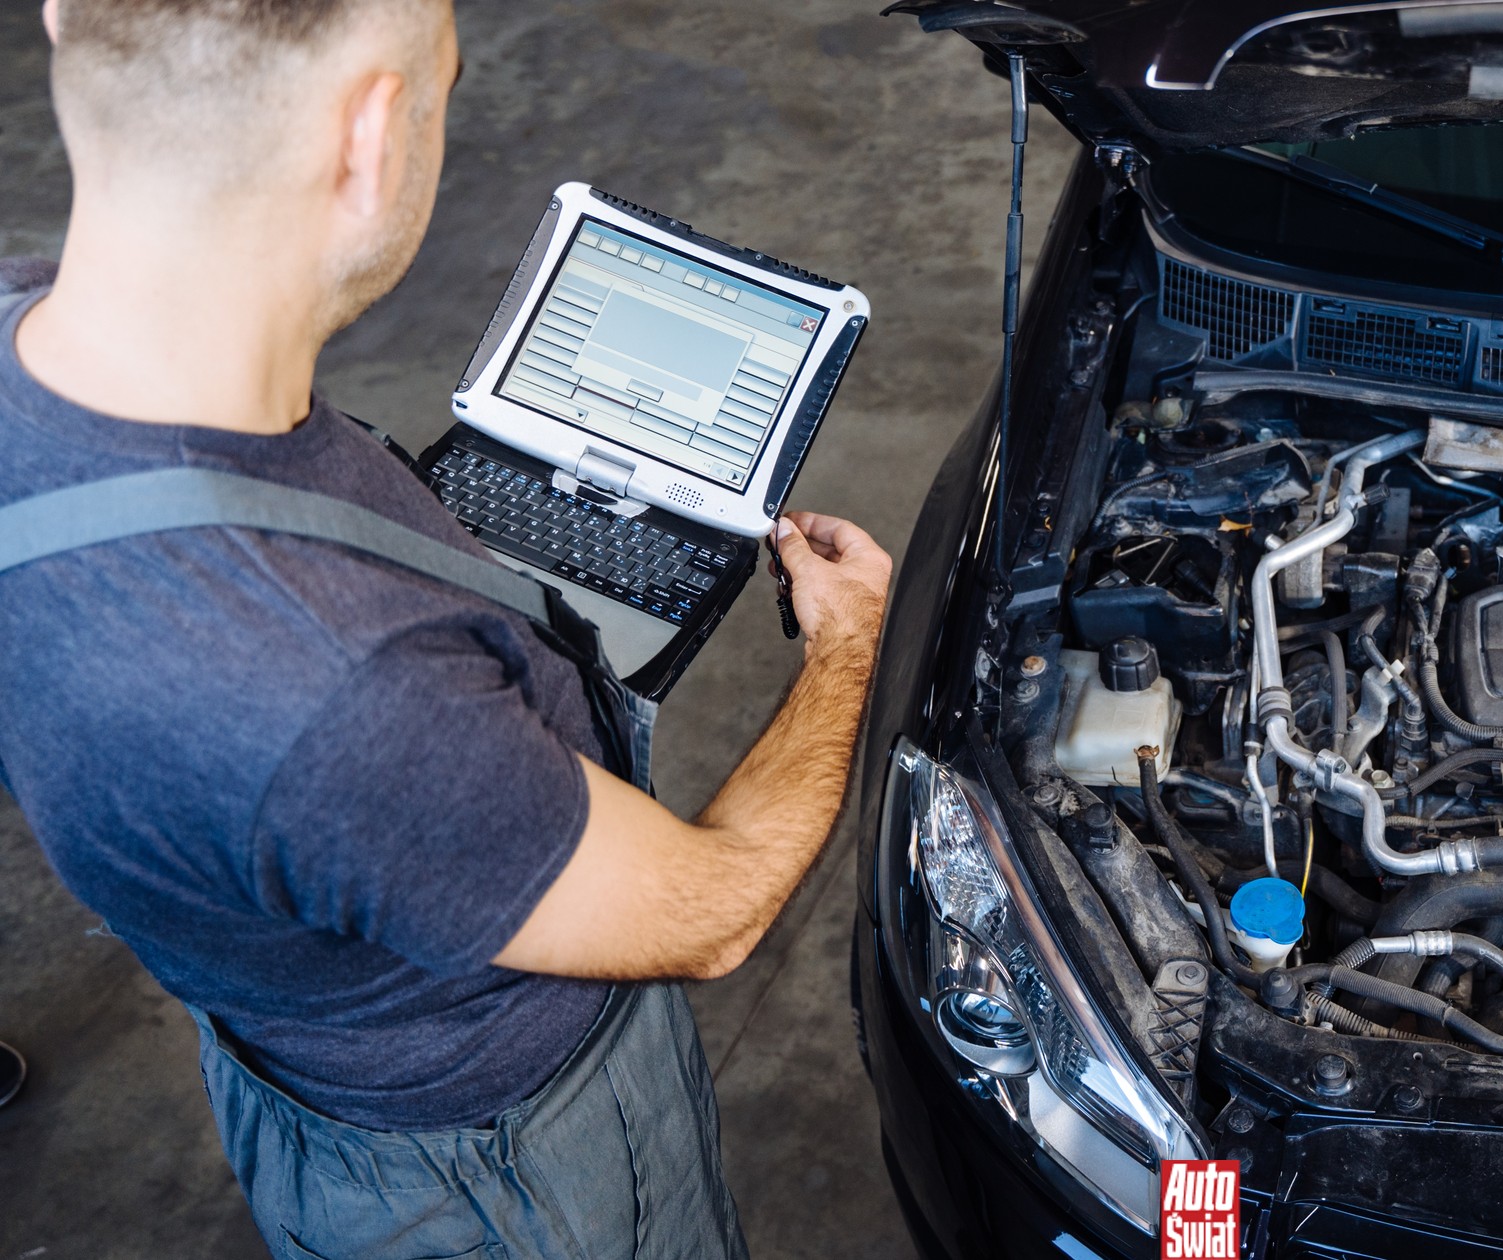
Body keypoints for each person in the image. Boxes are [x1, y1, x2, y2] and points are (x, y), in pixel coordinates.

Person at [0, 2, 892, 1256]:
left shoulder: (23, 346)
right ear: (368, 133)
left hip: (290, 1054)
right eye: (442, 86)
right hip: (507, 1172)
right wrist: (848, 640)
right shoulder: (340, 694)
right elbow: (718, 909)